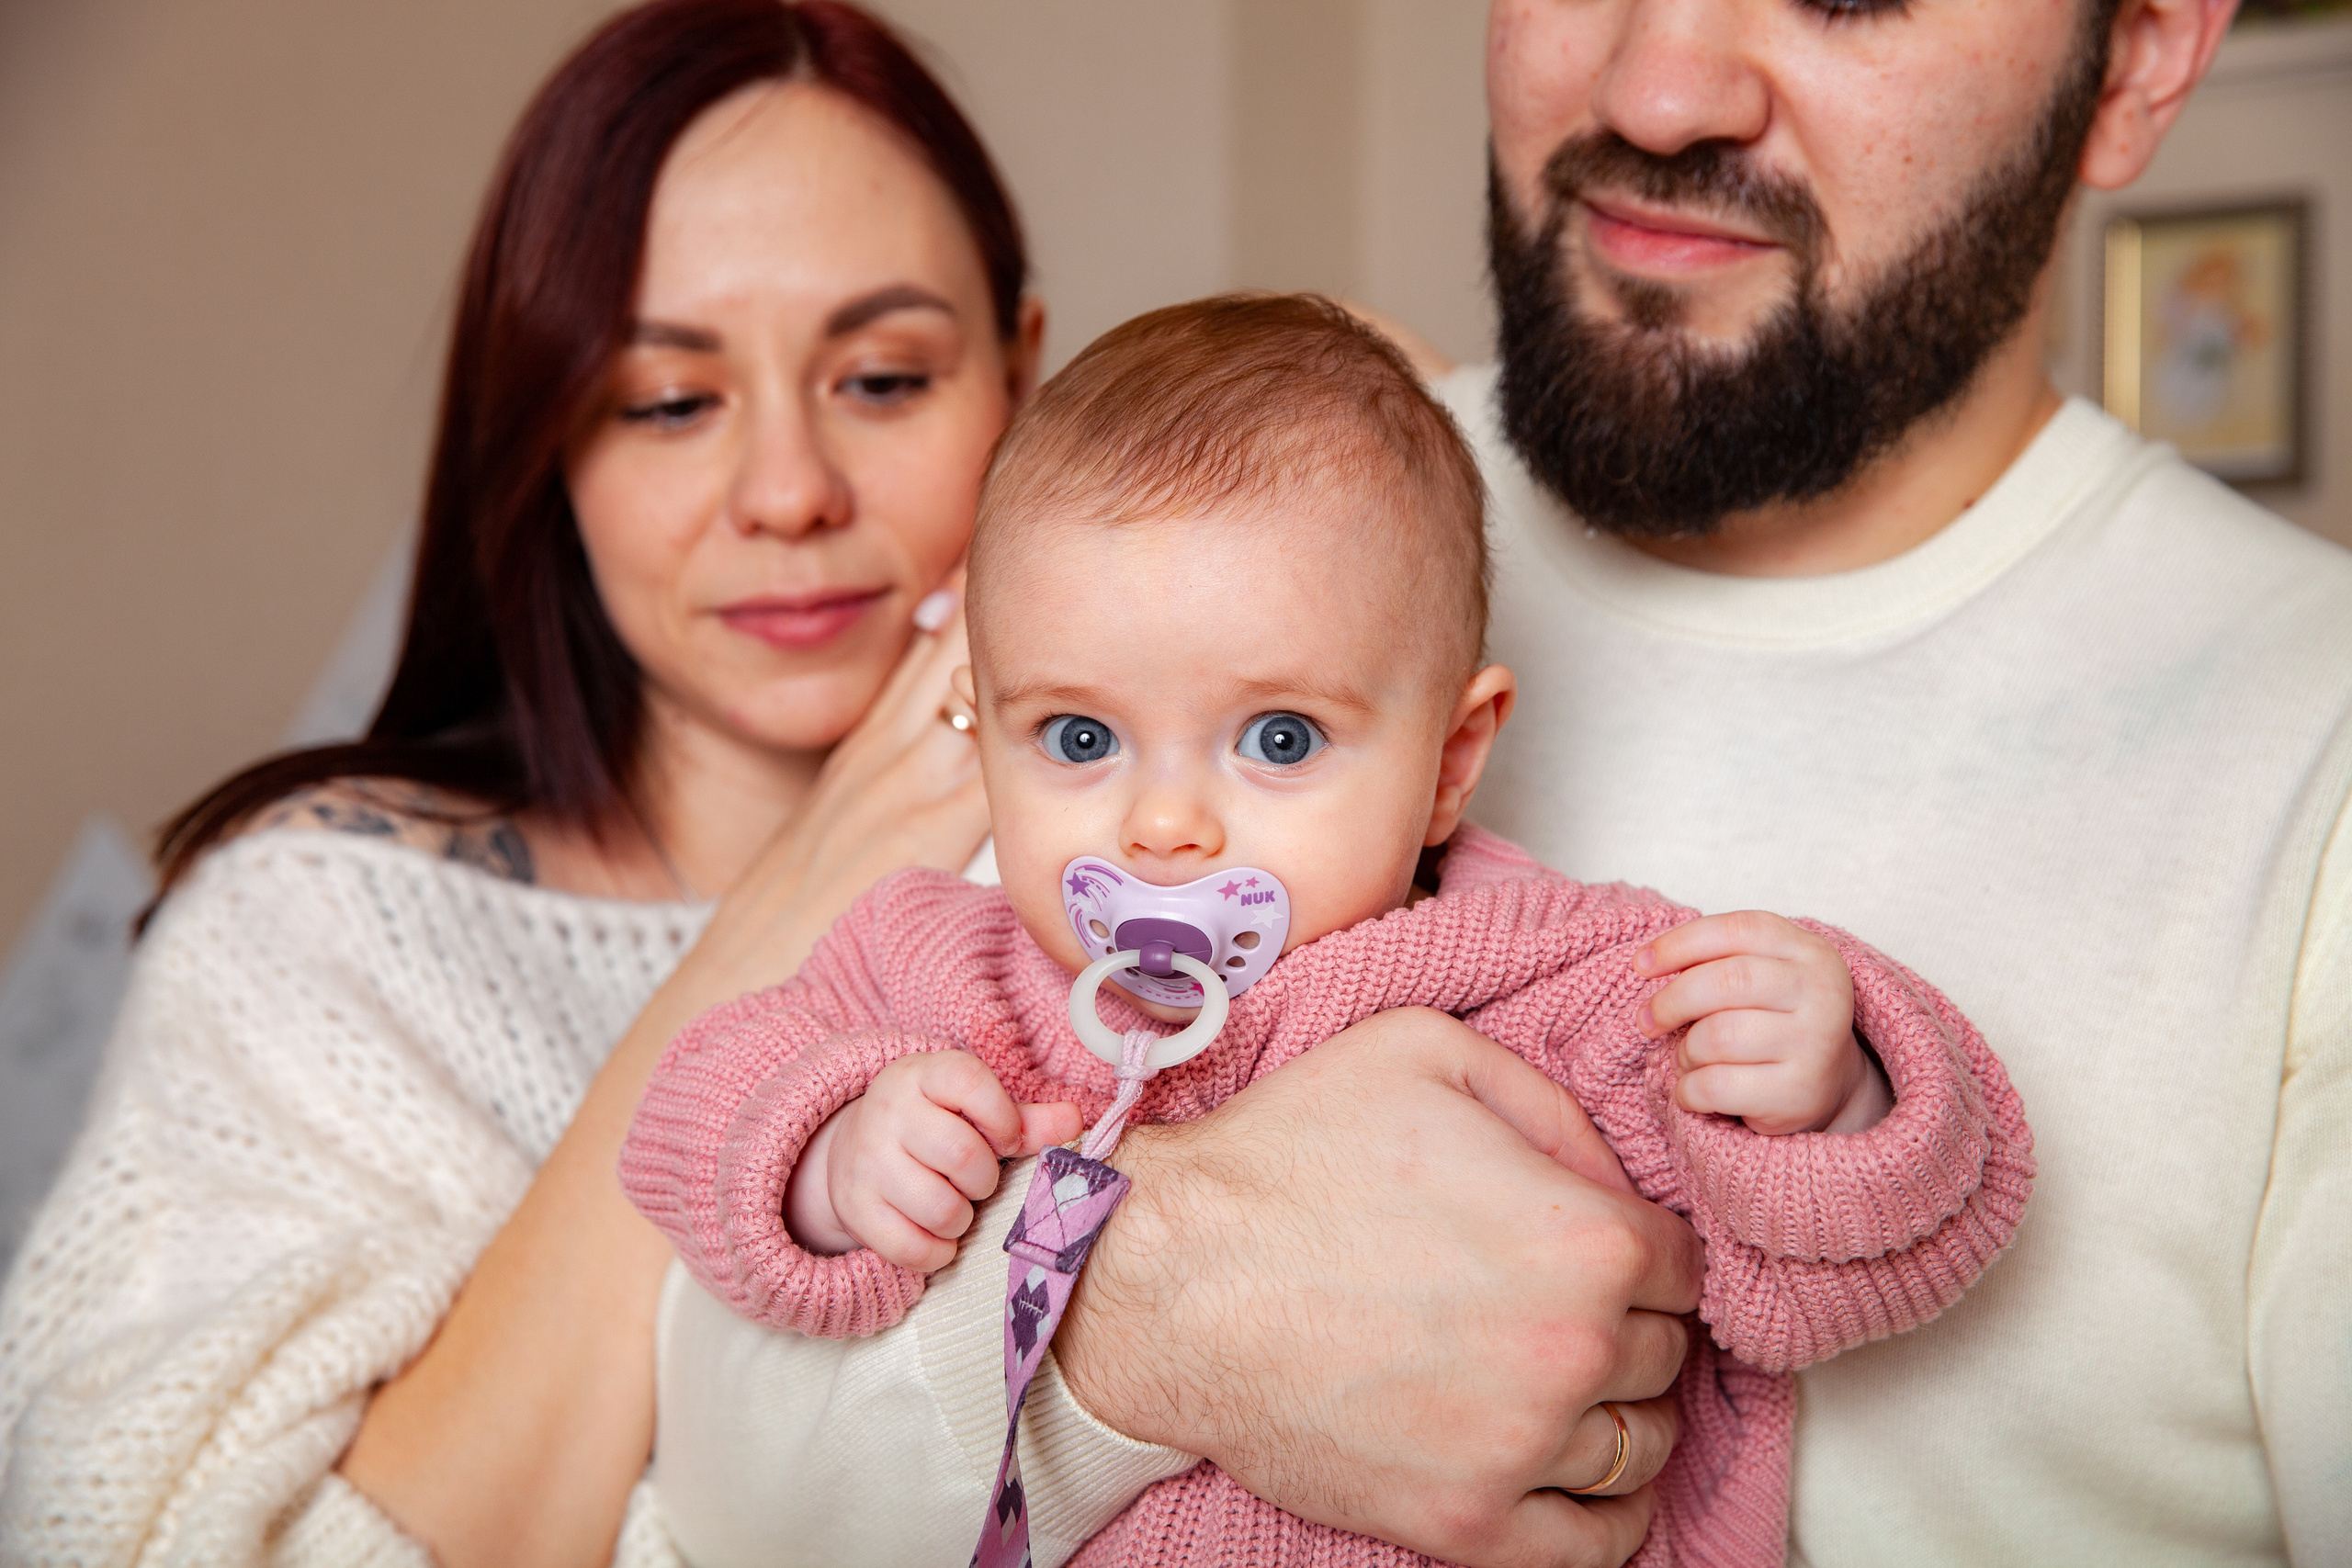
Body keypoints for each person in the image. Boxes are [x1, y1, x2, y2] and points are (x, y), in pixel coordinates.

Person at [651, 0, 2351, 1563]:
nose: (1660, 85)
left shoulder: (2303, 746)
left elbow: (1842, 1238)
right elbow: (701, 1486)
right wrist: (1137, 1317)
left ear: (2137, 55)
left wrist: (1835, 1102)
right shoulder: (1173, 543)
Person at [624, 293, 2033, 1568]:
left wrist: (1830, 1090)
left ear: (1451, 758)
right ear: (983, 727)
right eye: (1076, 734)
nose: (1164, 825)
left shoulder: (1549, 987)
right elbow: (692, 1114)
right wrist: (831, 1152)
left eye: (1279, 738)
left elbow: (1831, 1280)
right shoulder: (945, 965)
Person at [0, 3, 1046, 1563]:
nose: (788, 494)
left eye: (885, 379)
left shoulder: (1166, 855)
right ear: (552, 445)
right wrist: (812, 881)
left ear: (1022, 379)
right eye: (671, 402)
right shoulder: (313, 935)